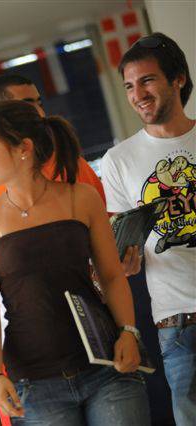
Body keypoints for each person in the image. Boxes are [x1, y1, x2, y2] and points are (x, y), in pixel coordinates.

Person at [0, 100, 150, 425]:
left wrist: (129, 332)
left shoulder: (82, 197)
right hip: (34, 381)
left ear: (24, 148)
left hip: (108, 364)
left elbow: (111, 275)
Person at [0, 74, 142, 294]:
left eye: (40, 104)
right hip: (14, 313)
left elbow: (109, 236)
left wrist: (119, 262)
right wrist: (14, 283)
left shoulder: (69, 164)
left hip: (90, 305)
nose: (39, 114)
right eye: (27, 106)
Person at [101, 32, 195, 425]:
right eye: (128, 86)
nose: (137, 94)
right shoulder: (118, 160)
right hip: (177, 321)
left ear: (178, 79)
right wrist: (124, 261)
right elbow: (125, 248)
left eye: (148, 80)